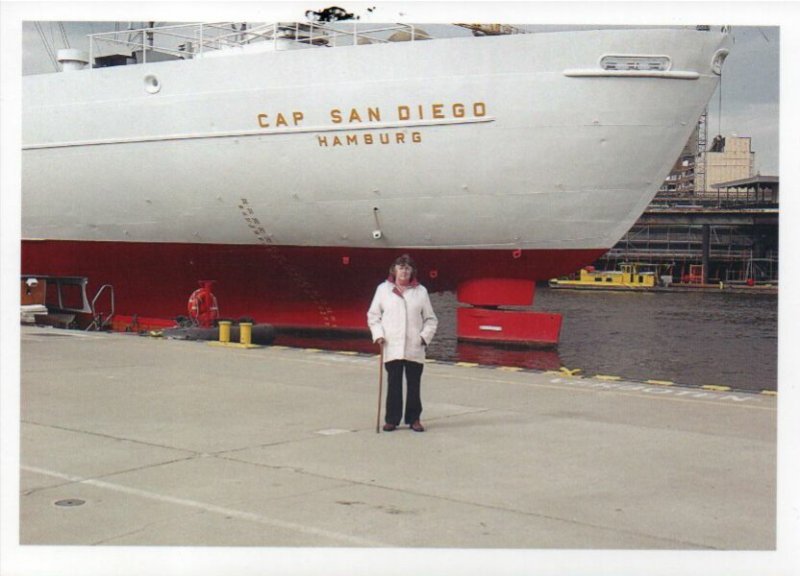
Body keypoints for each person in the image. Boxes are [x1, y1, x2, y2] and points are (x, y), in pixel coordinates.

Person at [367, 254, 438, 432]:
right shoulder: (383, 289)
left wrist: (423, 337)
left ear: (412, 271)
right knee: (394, 384)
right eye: (401, 268)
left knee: (414, 385)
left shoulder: (421, 291)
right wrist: (378, 335)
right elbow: (373, 315)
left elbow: (431, 319)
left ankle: (414, 419)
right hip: (391, 344)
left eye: (407, 268)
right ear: (394, 270)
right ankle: (392, 419)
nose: (404, 271)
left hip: (414, 345)